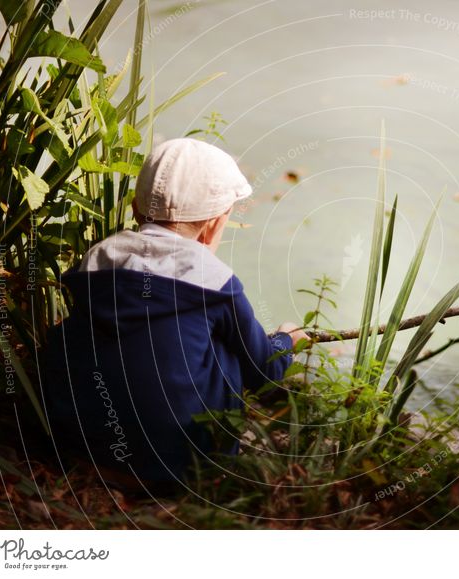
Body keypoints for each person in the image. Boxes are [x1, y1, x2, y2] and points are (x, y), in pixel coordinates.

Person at [41, 138, 308, 490]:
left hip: (76, 449)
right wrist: (288, 339)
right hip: (176, 467)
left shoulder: (97, 261)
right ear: (214, 224)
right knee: (225, 344)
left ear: (136, 209)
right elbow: (263, 370)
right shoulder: (214, 282)